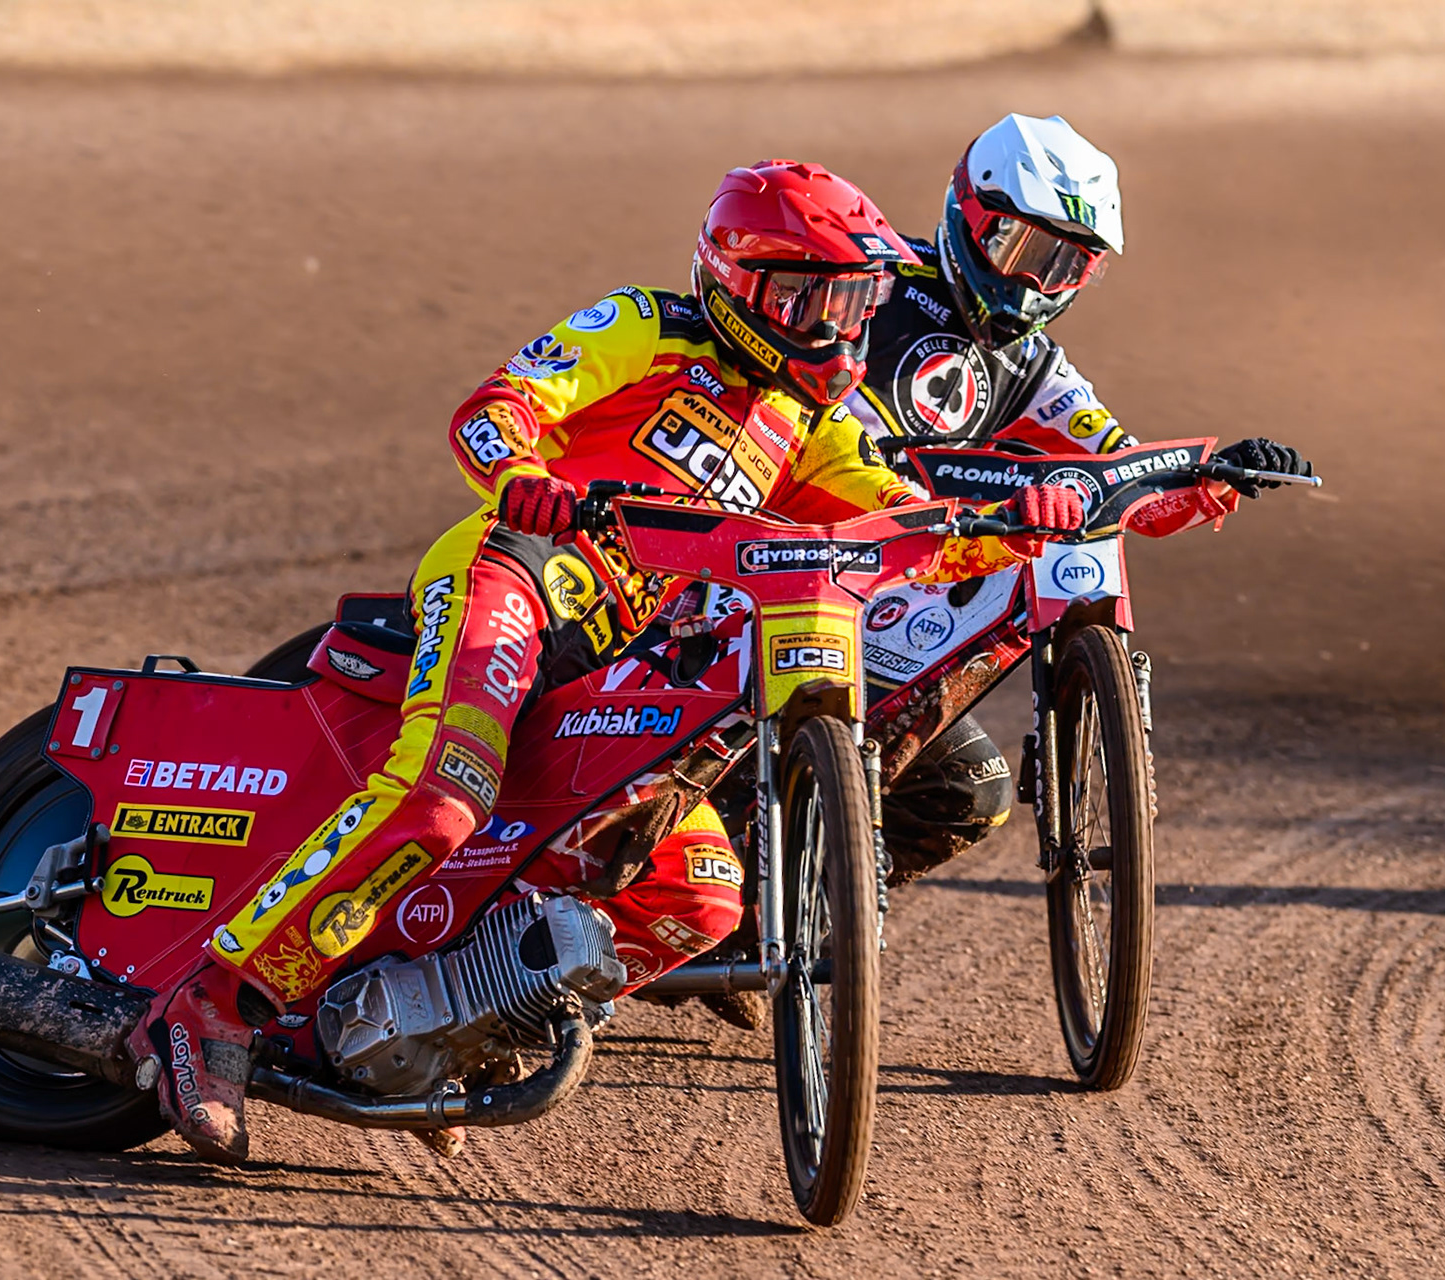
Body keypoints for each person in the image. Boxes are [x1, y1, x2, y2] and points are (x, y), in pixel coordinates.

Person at [127, 159, 1085, 1164]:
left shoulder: (812, 427)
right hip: (518, 577)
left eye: (855, 304)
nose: (838, 330)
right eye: (812, 301)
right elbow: (496, 408)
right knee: (441, 801)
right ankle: (211, 1005)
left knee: (702, 895)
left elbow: (900, 523)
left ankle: (458, 1022)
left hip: (627, 656)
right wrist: (521, 474)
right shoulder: (648, 326)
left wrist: (1010, 524)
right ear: (742, 282)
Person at [842, 113, 1314, 882]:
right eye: (1023, 250)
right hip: (783, 579)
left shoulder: (1034, 366)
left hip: (904, 598)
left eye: (1065, 265)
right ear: (970, 216)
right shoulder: (866, 288)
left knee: (969, 794)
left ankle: (802, 921)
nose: (1035, 283)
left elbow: (1119, 468)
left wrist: (1212, 475)